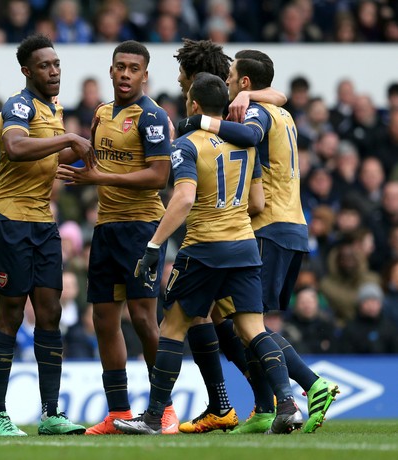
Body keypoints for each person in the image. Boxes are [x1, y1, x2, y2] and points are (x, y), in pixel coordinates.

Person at [113, 72, 303, 436]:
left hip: (203, 249)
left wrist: (155, 245)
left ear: (195, 105)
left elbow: (183, 198)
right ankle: (288, 405)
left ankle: (154, 417)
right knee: (253, 328)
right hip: (245, 247)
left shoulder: (186, 145)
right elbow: (258, 202)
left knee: (173, 327)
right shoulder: (246, 145)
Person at [187, 49, 339, 434]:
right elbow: (274, 101)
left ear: (245, 82)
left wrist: (200, 121)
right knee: (243, 319)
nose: (230, 81)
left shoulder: (258, 113)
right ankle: (264, 408)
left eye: (233, 75)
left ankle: (309, 386)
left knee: (250, 322)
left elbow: (251, 134)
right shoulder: (282, 111)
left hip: (268, 226)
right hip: (291, 226)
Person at [56, 40, 178, 435]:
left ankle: (165, 408)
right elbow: (94, 160)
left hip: (142, 229)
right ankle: (117, 411)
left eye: (133, 68)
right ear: (110, 71)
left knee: (143, 318)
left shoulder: (153, 117)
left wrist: (99, 177)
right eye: (119, 66)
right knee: (104, 319)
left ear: (145, 75)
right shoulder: (102, 113)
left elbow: (160, 177)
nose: (125, 74)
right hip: (106, 228)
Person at [171, 38, 288, 434]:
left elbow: (275, 98)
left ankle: (274, 396)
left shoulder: (233, 105)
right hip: (238, 233)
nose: (179, 81)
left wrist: (197, 123)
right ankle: (252, 402)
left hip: (231, 233)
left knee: (234, 323)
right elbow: (279, 93)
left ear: (194, 84)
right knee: (225, 319)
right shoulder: (234, 101)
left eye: (182, 76)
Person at [0, 33, 93, 436]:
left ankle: (51, 414)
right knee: (10, 313)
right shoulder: (19, 103)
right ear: (27, 71)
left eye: (57, 63)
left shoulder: (53, 107)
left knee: (51, 313)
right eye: (45, 65)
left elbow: (44, 150)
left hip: (43, 222)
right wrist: (68, 139)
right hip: (7, 219)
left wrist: (76, 152)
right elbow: (14, 146)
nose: (54, 70)